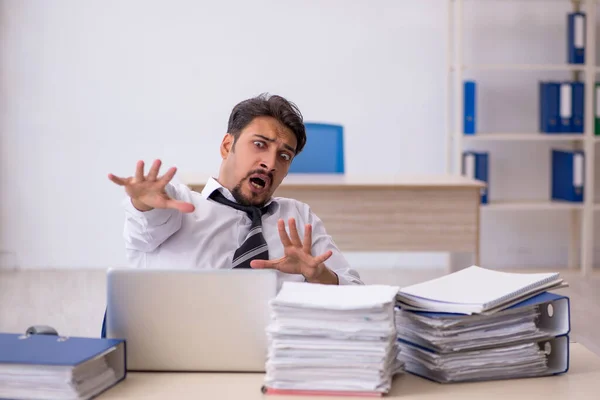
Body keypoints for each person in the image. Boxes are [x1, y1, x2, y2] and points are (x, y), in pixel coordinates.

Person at [108, 93, 363, 286]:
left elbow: (357, 292)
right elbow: (146, 227)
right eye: (260, 144)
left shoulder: (298, 218)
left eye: (284, 155)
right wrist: (145, 205)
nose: (270, 163)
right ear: (227, 145)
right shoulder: (181, 205)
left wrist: (320, 275)